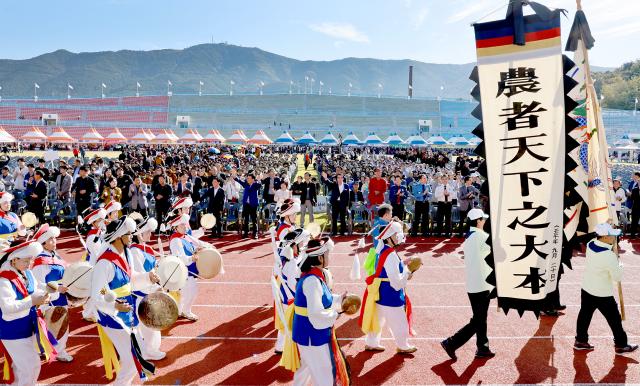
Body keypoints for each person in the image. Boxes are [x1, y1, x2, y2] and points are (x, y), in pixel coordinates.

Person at [87, 216, 155, 385]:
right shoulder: (104, 263)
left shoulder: (126, 254)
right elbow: (98, 293)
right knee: (133, 357)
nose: (132, 236)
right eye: (130, 234)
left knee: (137, 353)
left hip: (127, 309)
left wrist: (148, 277)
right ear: (119, 236)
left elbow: (130, 280)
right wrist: (114, 305)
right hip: (112, 316)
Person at [288, 236, 350, 386]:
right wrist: (337, 314)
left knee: (306, 370)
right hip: (312, 335)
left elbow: (323, 298)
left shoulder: (314, 277)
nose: (329, 257)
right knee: (324, 374)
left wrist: (339, 299)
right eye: (327, 254)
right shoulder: (312, 281)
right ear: (320, 258)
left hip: (305, 332)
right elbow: (316, 314)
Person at [574, 222, 638, 354]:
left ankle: (580, 340)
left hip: (587, 287)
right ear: (604, 237)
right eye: (612, 235)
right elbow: (617, 277)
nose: (614, 238)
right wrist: (619, 263)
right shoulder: (608, 256)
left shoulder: (591, 243)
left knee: (584, 315)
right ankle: (621, 344)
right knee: (615, 319)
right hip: (602, 293)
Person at [441, 209, 495, 360]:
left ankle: (483, 347)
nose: (485, 221)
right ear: (478, 221)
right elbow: (499, 251)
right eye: (483, 219)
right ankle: (451, 343)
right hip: (481, 285)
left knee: (480, 317)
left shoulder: (470, 236)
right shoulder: (480, 236)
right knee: (478, 320)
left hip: (473, 285)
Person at [0, 240, 54, 386]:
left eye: (31, 259)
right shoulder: (3, 279)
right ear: (14, 259)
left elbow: (34, 291)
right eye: (26, 260)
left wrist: (44, 295)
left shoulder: (26, 272)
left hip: (27, 325)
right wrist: (32, 301)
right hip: (12, 330)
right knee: (32, 365)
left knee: (21, 366)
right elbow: (7, 307)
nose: (30, 263)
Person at [360, 221, 417, 354]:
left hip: (380, 291)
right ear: (390, 237)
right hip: (389, 293)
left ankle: (371, 343)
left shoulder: (384, 250)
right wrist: (408, 271)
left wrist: (403, 262)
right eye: (397, 234)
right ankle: (403, 345)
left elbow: (389, 268)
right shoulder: (390, 253)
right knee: (399, 321)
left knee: (378, 319)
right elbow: (396, 283)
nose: (399, 237)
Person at [31, 223, 73, 362]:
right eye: (50, 239)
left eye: (54, 238)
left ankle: (53, 349)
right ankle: (58, 351)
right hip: (50, 298)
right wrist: (56, 288)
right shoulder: (41, 261)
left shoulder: (55, 255)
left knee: (59, 324)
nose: (54, 241)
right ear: (43, 243)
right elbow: (37, 284)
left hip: (60, 295)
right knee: (56, 325)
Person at [129, 217, 164, 360]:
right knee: (148, 325)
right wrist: (154, 288)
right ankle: (148, 351)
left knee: (150, 324)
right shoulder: (135, 251)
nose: (150, 234)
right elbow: (139, 276)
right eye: (147, 231)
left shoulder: (145, 249)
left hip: (149, 291)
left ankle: (149, 349)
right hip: (142, 294)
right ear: (139, 233)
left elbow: (151, 269)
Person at [169, 213, 211, 321]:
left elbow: (198, 242)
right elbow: (179, 257)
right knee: (191, 291)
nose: (185, 227)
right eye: (182, 226)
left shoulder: (185, 236)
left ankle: (180, 310)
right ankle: (186, 311)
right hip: (183, 269)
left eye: (184, 225)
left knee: (186, 291)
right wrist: (191, 258)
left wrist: (208, 246)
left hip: (188, 268)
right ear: (175, 228)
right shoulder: (175, 240)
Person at [274, 228, 310, 354]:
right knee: (292, 324)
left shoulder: (283, 257)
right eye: (300, 244)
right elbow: (294, 283)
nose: (302, 246)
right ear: (294, 246)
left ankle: (280, 346)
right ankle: (292, 350)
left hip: (284, 295)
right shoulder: (292, 263)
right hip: (290, 298)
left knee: (285, 324)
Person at [233, 170, 261, 239]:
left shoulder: (255, 185)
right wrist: (235, 177)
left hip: (253, 205)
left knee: (254, 220)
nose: (247, 179)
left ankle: (255, 233)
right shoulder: (246, 184)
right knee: (246, 219)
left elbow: (259, 184)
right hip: (246, 204)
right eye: (247, 178)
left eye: (248, 178)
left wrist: (258, 179)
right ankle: (245, 233)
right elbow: (239, 181)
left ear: (252, 179)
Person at [321, 171, 350, 236]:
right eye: (338, 178)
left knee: (343, 218)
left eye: (341, 178)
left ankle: (342, 232)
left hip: (343, 204)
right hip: (335, 204)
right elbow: (328, 183)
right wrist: (326, 178)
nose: (339, 179)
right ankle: (334, 232)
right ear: (336, 179)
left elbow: (348, 197)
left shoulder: (346, 186)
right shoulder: (334, 184)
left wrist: (347, 205)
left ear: (343, 178)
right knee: (334, 218)